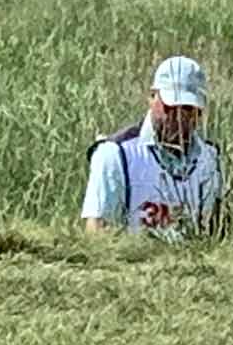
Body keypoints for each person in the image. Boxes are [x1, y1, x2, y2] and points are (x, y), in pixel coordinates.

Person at [81, 55, 224, 240]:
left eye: (187, 109)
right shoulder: (115, 155)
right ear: (151, 98)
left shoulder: (210, 159)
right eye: (170, 107)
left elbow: (217, 234)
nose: (178, 117)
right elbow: (97, 233)